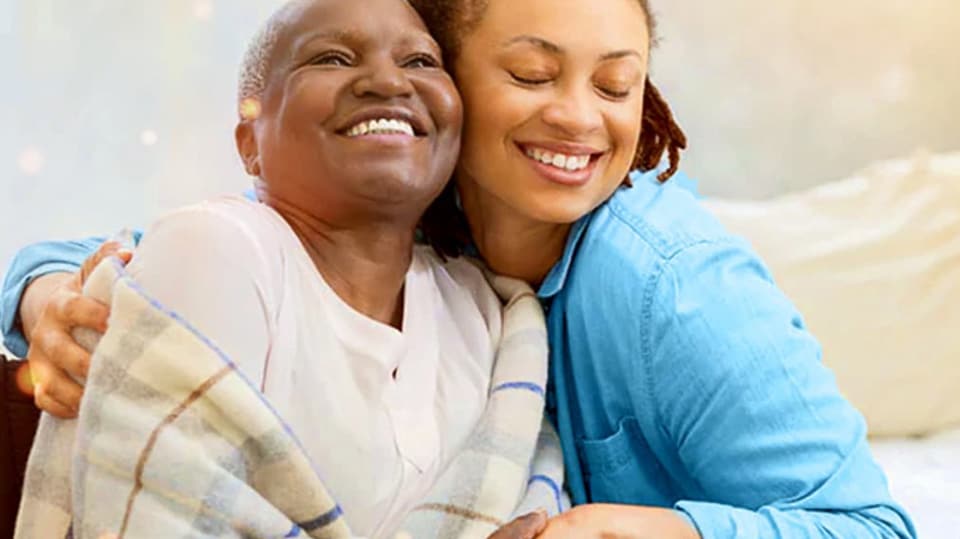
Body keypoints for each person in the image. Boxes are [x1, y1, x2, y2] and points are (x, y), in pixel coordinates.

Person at [2, 0, 916, 537]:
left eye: (614, 85)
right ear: (451, 79)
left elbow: (879, 527)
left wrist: (676, 529)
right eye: (530, 73)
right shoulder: (407, 215)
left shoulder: (672, 287)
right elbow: (128, 250)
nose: (578, 118)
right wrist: (42, 294)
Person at [8, 1, 559, 537]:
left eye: (420, 62)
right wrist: (40, 286)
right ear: (250, 144)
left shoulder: (485, 308)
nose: (389, 82)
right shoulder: (220, 248)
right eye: (331, 58)